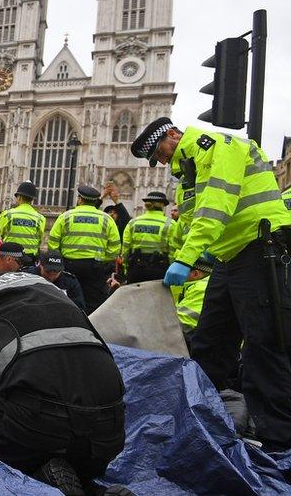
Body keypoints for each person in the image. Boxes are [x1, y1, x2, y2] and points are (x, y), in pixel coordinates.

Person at [132, 116, 291, 451]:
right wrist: (187, 260)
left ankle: (280, 445)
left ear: (172, 135)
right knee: (209, 344)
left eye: (160, 153)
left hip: (261, 250)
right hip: (229, 257)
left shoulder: (217, 146)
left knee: (263, 347)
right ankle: (199, 421)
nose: (161, 162)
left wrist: (185, 259)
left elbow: (216, 209)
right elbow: (190, 224)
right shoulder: (189, 174)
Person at [0, 253, 125, 493]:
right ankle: (87, 488)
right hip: (109, 430)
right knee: (41, 444)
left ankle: (44, 481)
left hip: (36, 421)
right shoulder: (42, 285)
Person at [48, 185, 120, 314]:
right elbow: (115, 247)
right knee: (94, 304)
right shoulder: (106, 219)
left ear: (80, 200)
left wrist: (60, 260)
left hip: (69, 266)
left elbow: (52, 243)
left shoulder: (65, 217)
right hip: (95, 267)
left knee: (67, 300)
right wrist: (102, 260)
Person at [120, 191, 173, 283]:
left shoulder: (133, 223)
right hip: (159, 269)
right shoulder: (170, 224)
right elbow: (174, 251)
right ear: (162, 205)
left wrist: (126, 267)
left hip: (136, 268)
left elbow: (125, 248)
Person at [0, 181, 45, 257]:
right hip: (30, 258)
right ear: (32, 199)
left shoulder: (7, 215)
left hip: (9, 257)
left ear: (19, 197)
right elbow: (39, 240)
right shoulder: (40, 218)